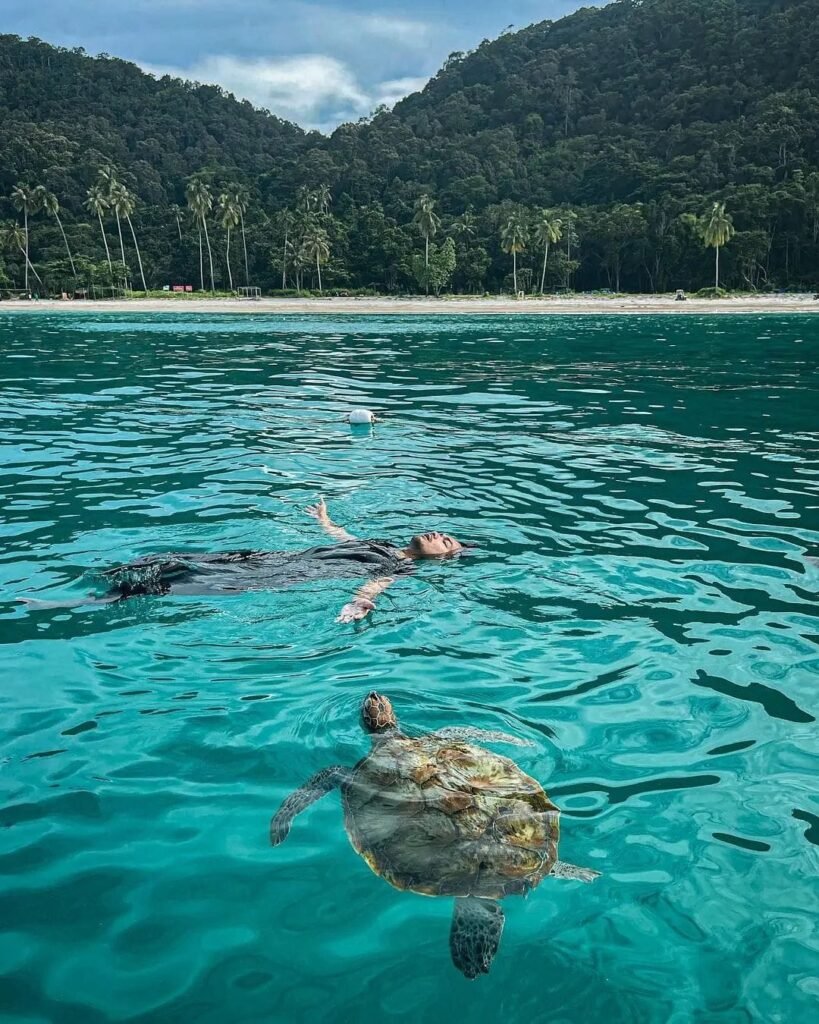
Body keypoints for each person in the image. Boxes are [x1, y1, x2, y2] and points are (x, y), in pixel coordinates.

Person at [32, 498, 469, 623]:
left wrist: (356, 607)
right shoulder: (385, 543)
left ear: (442, 559)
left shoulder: (402, 566)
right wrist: (326, 519)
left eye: (445, 541)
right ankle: (104, 580)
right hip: (268, 558)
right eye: (440, 531)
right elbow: (344, 538)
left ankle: (87, 603)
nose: (437, 534)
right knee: (168, 559)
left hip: (291, 574)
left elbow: (374, 585)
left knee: (176, 583)